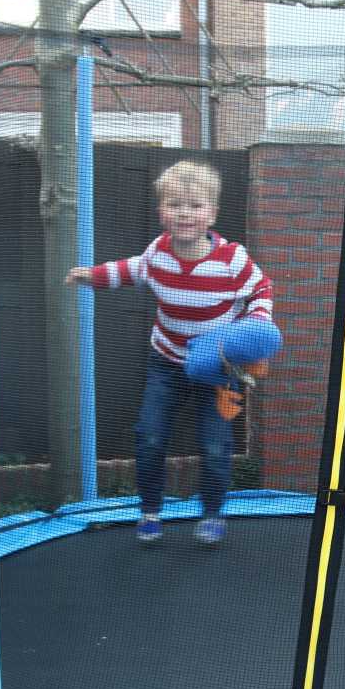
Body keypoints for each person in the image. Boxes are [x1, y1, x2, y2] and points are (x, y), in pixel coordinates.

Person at [66, 160, 274, 546]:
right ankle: (150, 510)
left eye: (195, 205)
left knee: (215, 444)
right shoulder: (157, 253)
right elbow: (131, 270)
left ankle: (212, 512)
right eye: (175, 204)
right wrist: (93, 276)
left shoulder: (232, 259)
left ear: (211, 213)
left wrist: (255, 327)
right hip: (167, 363)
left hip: (217, 369)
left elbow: (261, 289)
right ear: (162, 212)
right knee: (149, 436)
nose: (184, 213)